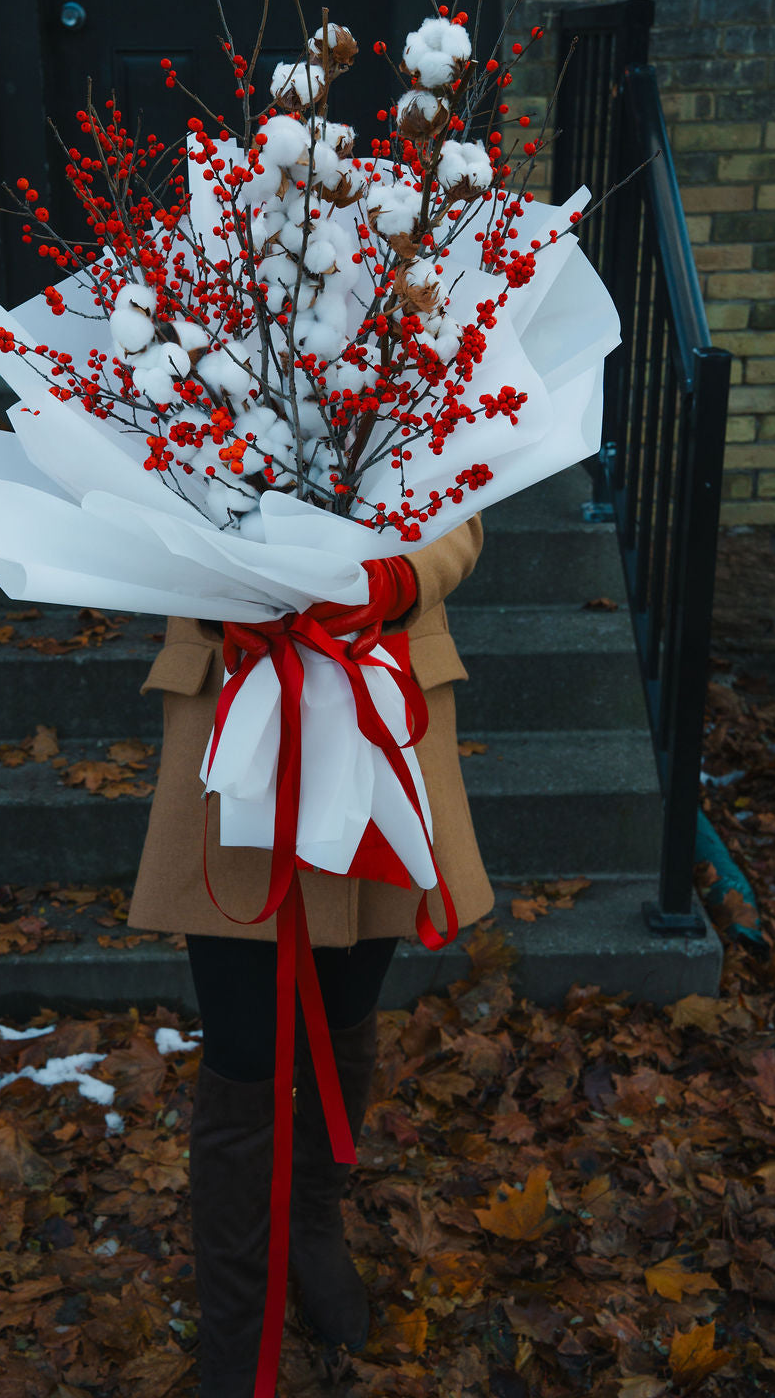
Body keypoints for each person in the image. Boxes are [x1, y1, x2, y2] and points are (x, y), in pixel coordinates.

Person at [126, 513, 494, 1397]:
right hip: (238, 690)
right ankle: (235, 1332)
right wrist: (225, 577)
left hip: (383, 687)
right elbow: (139, 506)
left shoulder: (419, 397)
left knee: (344, 1009)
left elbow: (466, 499)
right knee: (244, 1045)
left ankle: (312, 1225)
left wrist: (397, 580)